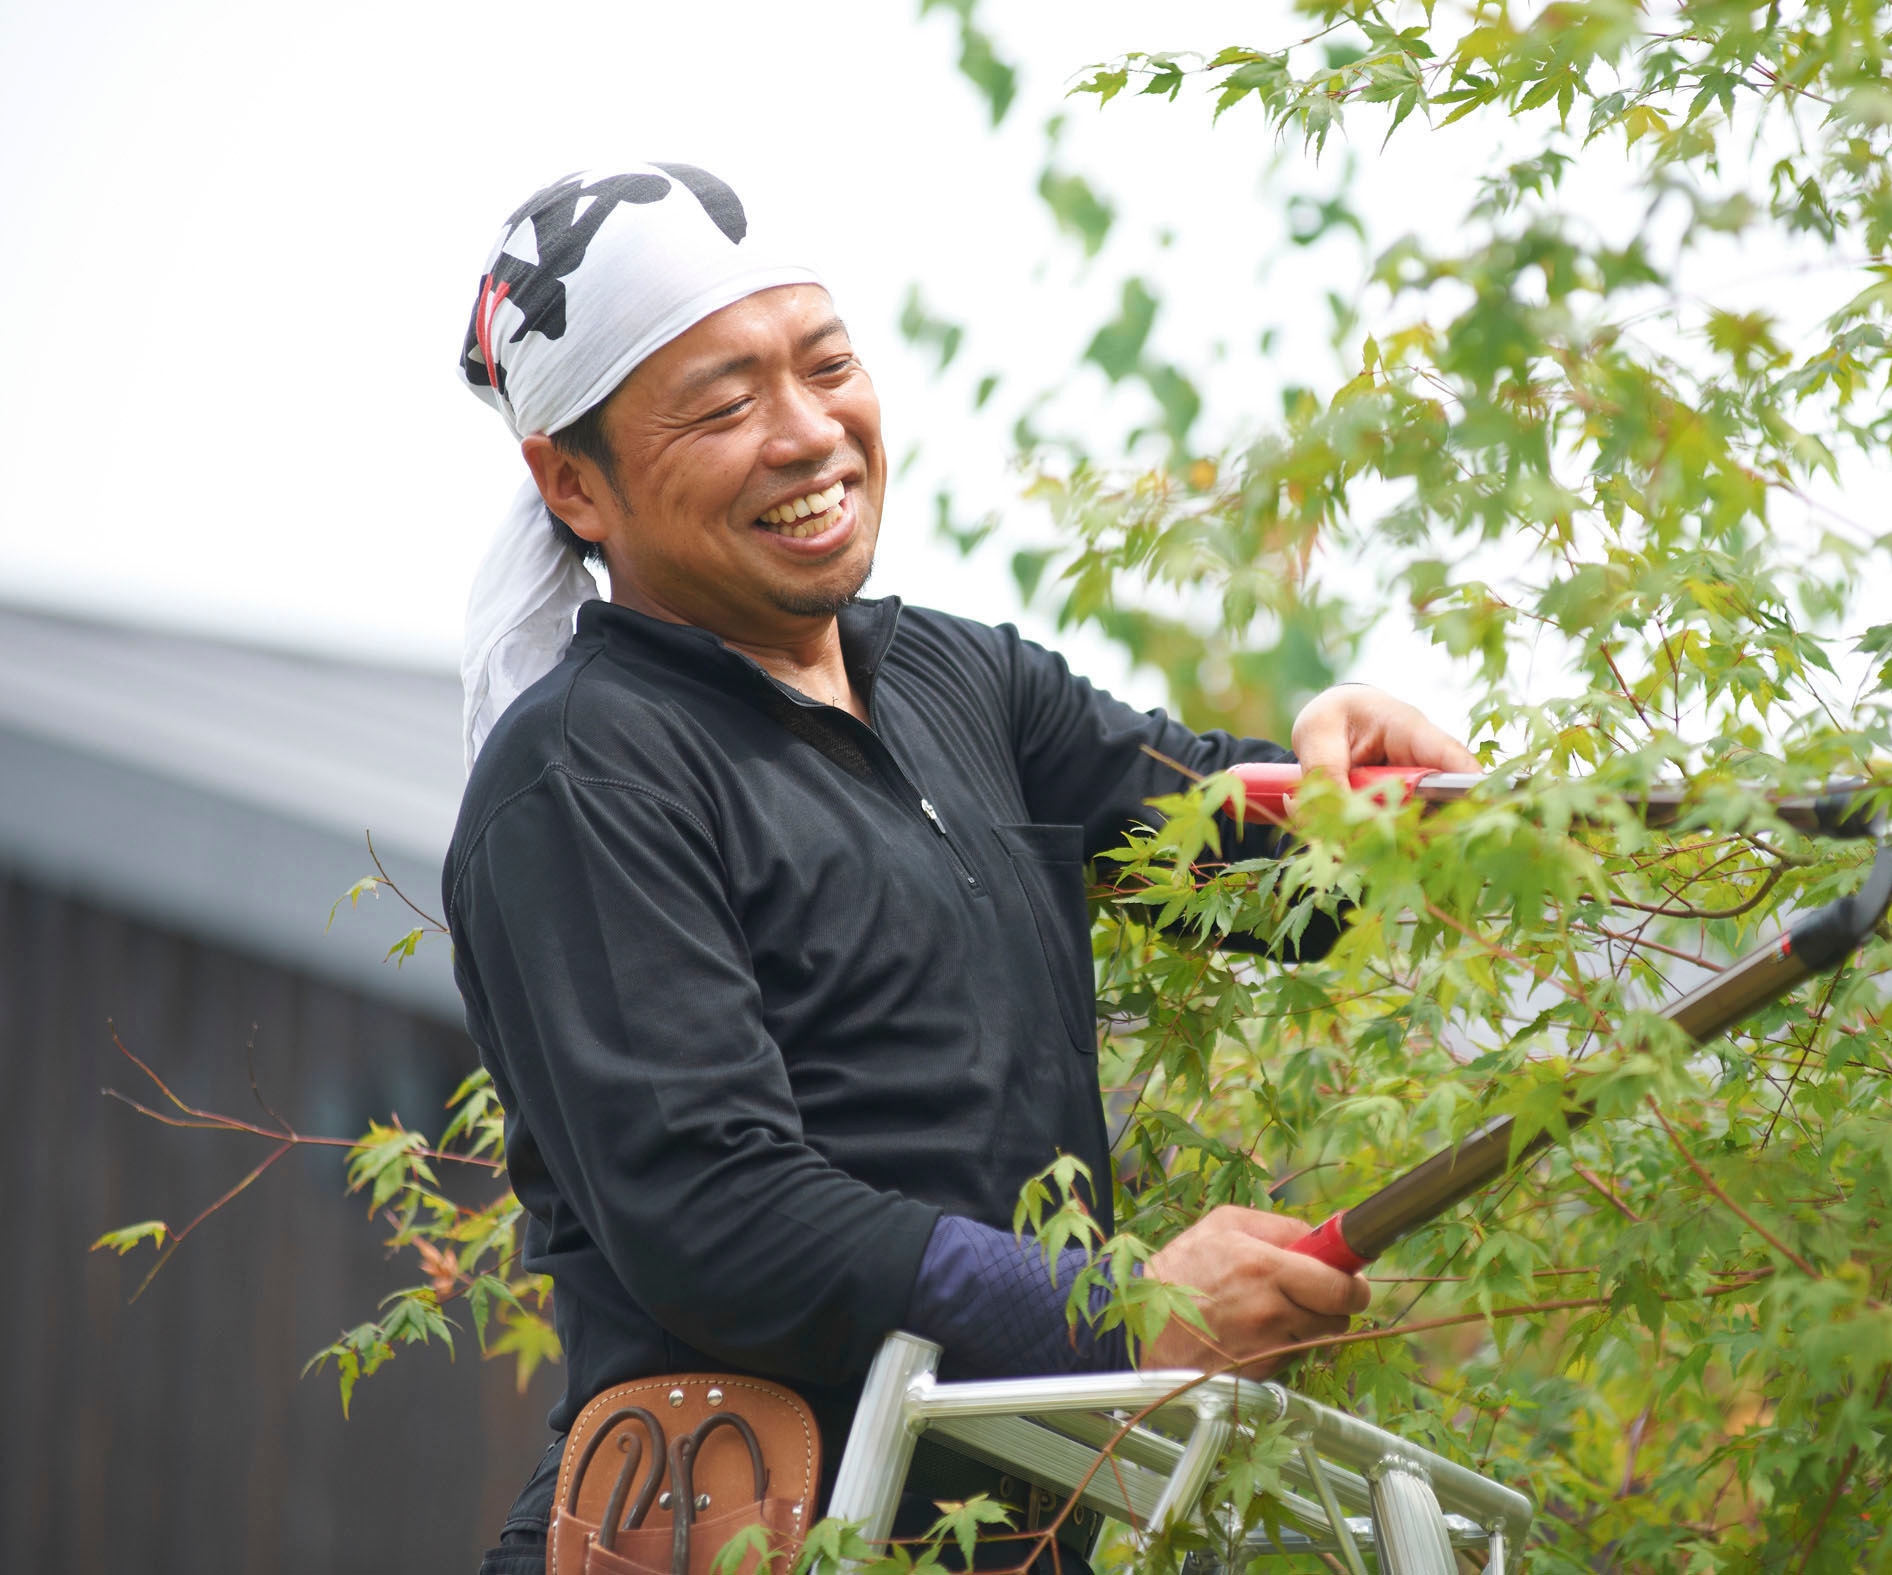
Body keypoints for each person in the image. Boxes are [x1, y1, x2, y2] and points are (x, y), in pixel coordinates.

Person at [446, 164, 1480, 1575]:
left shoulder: (955, 679)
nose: (808, 434)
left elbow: (1254, 872)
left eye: (826, 367)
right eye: (725, 402)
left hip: (1014, 1524)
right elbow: (719, 1215)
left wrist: (1352, 787)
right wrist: (1115, 1311)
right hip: (764, 1529)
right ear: (574, 482)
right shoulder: (585, 771)